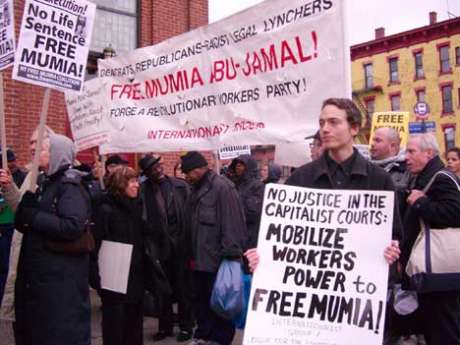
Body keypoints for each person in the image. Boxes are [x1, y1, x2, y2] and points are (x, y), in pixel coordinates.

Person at [13, 133, 92, 345]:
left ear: (57, 154)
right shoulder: (45, 183)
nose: (34, 151)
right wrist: (25, 212)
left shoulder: (69, 186)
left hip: (60, 284)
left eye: (43, 148)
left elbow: (72, 226)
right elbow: (27, 223)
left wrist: (35, 216)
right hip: (43, 281)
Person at [181, 151, 247, 345]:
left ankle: (220, 340)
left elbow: (233, 224)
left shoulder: (223, 188)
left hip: (217, 262)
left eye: (189, 172)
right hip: (198, 260)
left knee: (220, 305)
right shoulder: (195, 188)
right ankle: (204, 336)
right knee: (201, 303)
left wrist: (231, 258)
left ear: (200, 169)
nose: (186, 176)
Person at [401, 133, 460, 345]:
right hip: (434, 271)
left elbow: (456, 212)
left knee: (443, 329)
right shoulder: (427, 176)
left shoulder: (441, 178)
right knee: (434, 328)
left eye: (411, 151)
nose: (406, 157)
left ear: (429, 153)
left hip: (440, 271)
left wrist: (421, 203)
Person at [93, 166, 157, 345]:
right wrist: (96, 276)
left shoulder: (136, 206)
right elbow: (96, 243)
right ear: (121, 184)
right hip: (114, 279)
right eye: (132, 181)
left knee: (134, 324)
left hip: (136, 276)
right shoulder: (105, 209)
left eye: (137, 181)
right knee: (115, 326)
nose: (137, 185)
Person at [138, 154, 193, 342]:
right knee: (162, 290)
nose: (159, 170)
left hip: (180, 246)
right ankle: (165, 327)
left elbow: (190, 214)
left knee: (183, 288)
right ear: (146, 173)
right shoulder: (142, 191)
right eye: (154, 168)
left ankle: (186, 327)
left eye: (160, 166)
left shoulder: (180, 186)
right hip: (157, 247)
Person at [0, 149, 26, 303]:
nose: (12, 163)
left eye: (12, 160)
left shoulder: (21, 176)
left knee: (6, 264)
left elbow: (20, 199)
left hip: (10, 225)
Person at [370, 127, 411, 217]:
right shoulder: (364, 168)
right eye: (373, 140)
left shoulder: (408, 170)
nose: (372, 144)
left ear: (392, 146)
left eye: (378, 140)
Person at [229, 154, 264, 249]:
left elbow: (253, 213)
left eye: (242, 164)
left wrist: (233, 205)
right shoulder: (232, 184)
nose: (238, 166)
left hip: (250, 236)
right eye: (236, 163)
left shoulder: (257, 186)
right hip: (235, 236)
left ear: (249, 167)